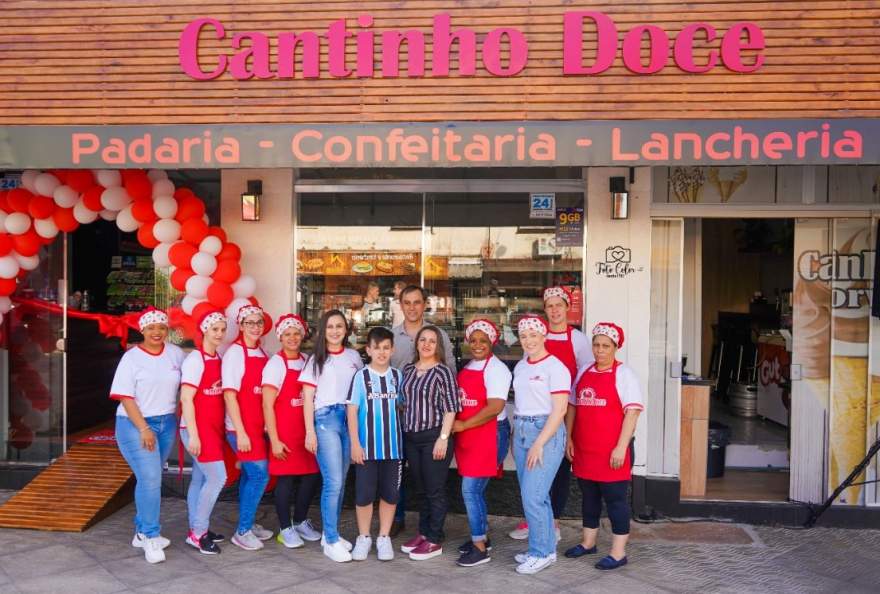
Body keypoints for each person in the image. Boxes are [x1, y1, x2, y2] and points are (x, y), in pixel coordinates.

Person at [509, 286, 593, 541]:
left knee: (559, 468)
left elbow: (585, 374)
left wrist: (570, 415)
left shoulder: (577, 338)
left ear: (568, 308)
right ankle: (536, 521)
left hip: (565, 409)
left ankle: (552, 522)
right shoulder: (534, 338)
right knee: (537, 474)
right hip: (538, 410)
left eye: (559, 305)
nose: (555, 310)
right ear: (545, 310)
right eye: (550, 306)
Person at [564, 323, 644, 571]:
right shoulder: (584, 371)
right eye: (596, 345)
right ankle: (589, 543)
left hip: (612, 452)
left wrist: (621, 447)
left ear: (615, 348)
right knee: (589, 498)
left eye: (605, 346)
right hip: (585, 450)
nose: (600, 350)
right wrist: (569, 438)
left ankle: (618, 553)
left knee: (616, 501)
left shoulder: (624, 374)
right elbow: (573, 406)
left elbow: (632, 413)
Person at [111, 307, 185, 564]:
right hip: (135, 423)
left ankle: (141, 531)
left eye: (162, 327)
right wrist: (144, 428)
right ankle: (151, 535)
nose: (157, 332)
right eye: (151, 328)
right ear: (142, 330)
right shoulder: (132, 358)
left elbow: (192, 380)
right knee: (151, 478)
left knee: (149, 478)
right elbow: (125, 396)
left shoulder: (176, 354)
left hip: (166, 422)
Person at [389, 285, 455, 536]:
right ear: (401, 304)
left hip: (433, 428)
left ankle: (433, 534)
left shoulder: (439, 337)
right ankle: (399, 518)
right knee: (403, 475)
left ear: (424, 304)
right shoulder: (392, 337)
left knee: (432, 485)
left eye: (417, 302)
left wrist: (444, 433)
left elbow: (450, 384)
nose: (412, 307)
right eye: (407, 302)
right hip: (402, 423)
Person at [300, 309, 364, 563]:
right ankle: (331, 539)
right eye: (330, 327)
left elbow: (361, 388)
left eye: (339, 326)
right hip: (325, 420)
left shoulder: (353, 356)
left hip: (349, 419)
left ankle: (330, 534)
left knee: (342, 479)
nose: (335, 331)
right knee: (333, 481)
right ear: (322, 331)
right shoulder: (316, 359)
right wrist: (309, 432)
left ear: (346, 329)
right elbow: (307, 399)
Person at [510, 315, 569, 575]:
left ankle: (540, 553)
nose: (529, 340)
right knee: (536, 496)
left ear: (543, 336)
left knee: (532, 496)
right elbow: (521, 404)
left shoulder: (555, 367)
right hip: (522, 430)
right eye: (524, 336)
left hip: (545, 433)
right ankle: (544, 547)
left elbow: (559, 411)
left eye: (533, 335)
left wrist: (539, 444)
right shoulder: (522, 366)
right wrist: (517, 437)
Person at [453, 319, 512, 567]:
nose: (478, 345)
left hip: (488, 434)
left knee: (470, 490)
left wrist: (464, 425)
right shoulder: (469, 366)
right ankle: (482, 537)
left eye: (483, 341)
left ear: (492, 342)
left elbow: (495, 407)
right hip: (471, 435)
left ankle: (479, 547)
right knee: (475, 490)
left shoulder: (497, 369)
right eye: (473, 340)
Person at [399, 325, 461, 561]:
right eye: (422, 340)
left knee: (435, 490)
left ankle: (435, 539)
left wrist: (443, 439)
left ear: (438, 346)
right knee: (421, 489)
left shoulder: (443, 372)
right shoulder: (407, 370)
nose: (426, 344)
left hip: (434, 437)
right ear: (416, 343)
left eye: (432, 341)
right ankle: (424, 533)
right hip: (411, 438)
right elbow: (404, 402)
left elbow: (451, 408)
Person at [261, 313, 322, 549]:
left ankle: (300, 521)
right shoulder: (275, 364)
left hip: (305, 431)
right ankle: (285, 528)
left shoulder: (307, 360)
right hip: (284, 432)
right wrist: (274, 440)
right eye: (287, 334)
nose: (293, 338)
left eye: (296, 333)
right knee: (285, 480)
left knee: (311, 475)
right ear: (280, 337)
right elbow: (267, 404)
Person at [346, 327, 404, 562]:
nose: (381, 352)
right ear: (368, 350)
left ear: (392, 349)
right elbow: (352, 411)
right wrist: (355, 444)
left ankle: (383, 537)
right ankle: (363, 537)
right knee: (364, 495)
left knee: (390, 495)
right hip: (367, 449)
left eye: (386, 347)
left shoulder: (398, 376)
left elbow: (402, 408)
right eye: (377, 347)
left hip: (393, 449)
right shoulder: (361, 377)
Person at [222, 303, 273, 551]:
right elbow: (230, 395)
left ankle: (248, 522)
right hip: (240, 429)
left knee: (250, 476)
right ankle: (242, 531)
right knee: (260, 475)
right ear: (241, 326)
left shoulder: (261, 353)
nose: (255, 327)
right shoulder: (235, 353)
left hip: (257, 427)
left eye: (259, 322)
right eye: (250, 323)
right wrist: (240, 432)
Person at [179, 309, 228, 555]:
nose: (219, 334)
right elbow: (186, 399)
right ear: (204, 331)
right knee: (218, 478)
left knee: (199, 480)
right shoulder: (195, 360)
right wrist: (194, 435)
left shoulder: (217, 357)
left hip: (211, 429)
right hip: (197, 430)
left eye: (222, 329)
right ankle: (198, 533)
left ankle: (197, 527)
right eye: (214, 329)